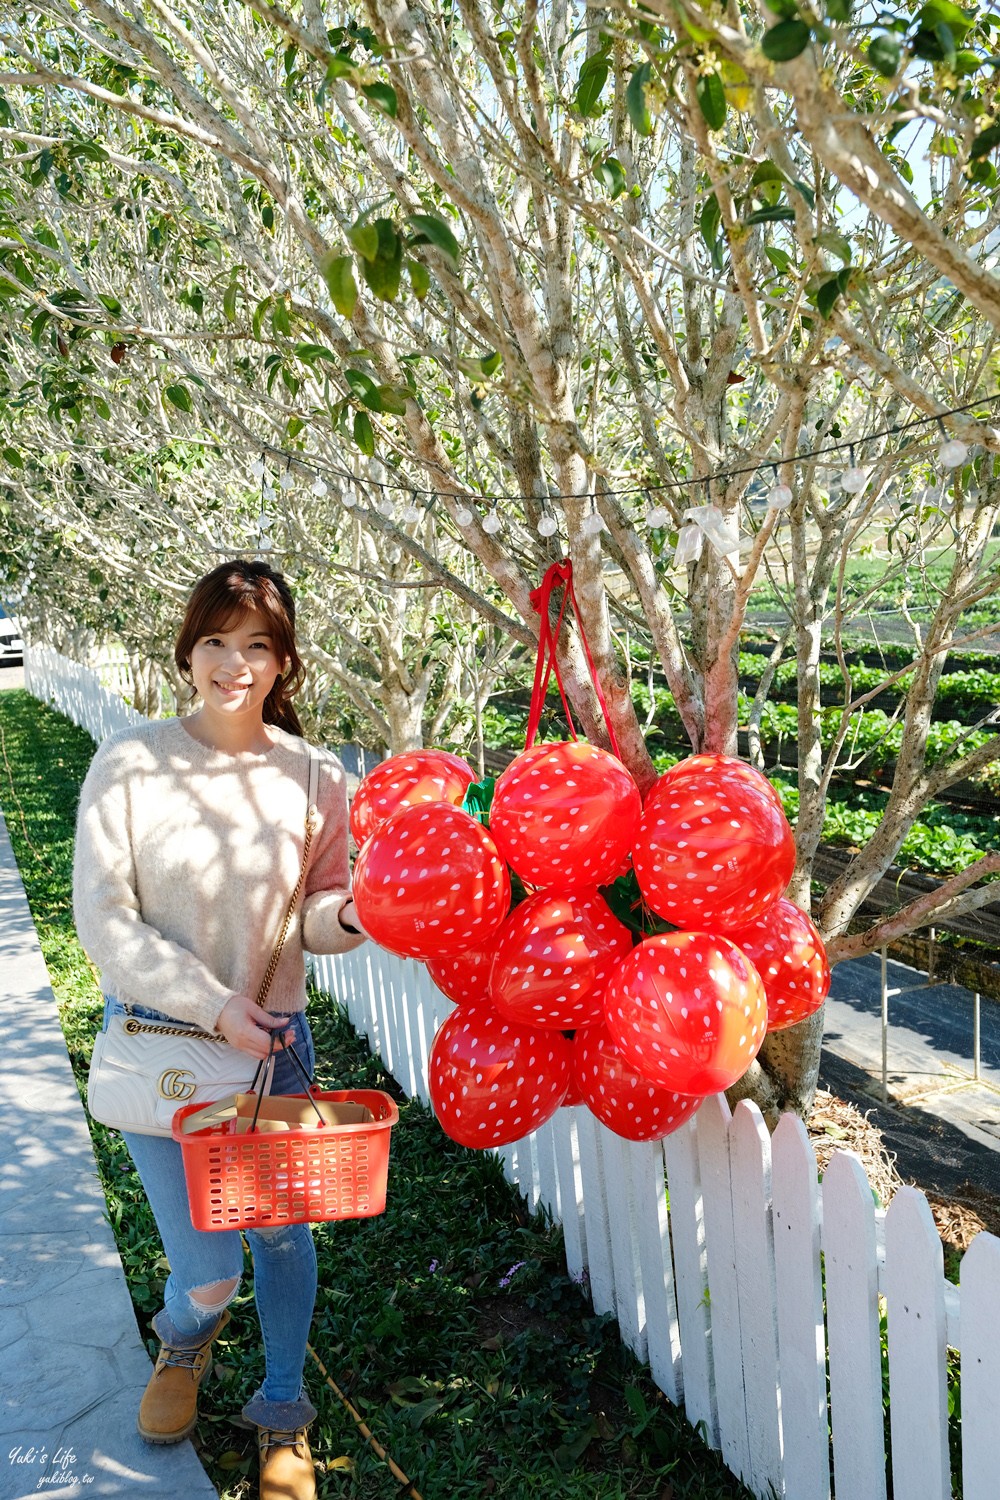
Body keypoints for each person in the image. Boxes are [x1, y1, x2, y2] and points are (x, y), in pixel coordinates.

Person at [73, 559, 366, 1500]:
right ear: (187, 650)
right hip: (163, 1051)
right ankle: (185, 1342)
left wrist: (354, 917)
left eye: (256, 646)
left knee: (280, 1241)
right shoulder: (131, 763)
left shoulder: (316, 777)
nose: (233, 664)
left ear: (283, 663)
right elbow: (104, 918)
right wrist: (213, 1005)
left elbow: (318, 909)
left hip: (271, 1056)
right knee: (206, 1268)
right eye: (215, 642)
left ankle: (283, 1412)